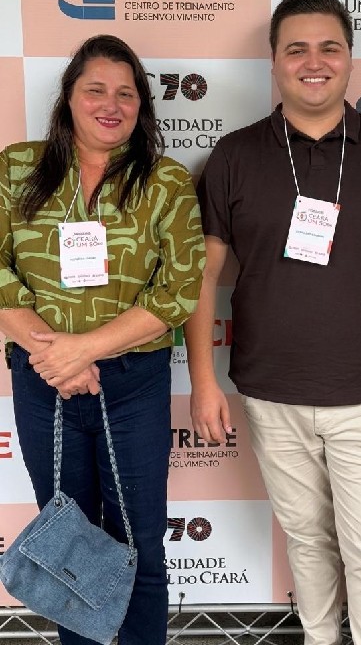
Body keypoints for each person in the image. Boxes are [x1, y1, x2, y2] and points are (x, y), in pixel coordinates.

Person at [184, 0, 361, 645]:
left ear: (351, 58)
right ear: (273, 61)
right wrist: (203, 381)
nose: (314, 62)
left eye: (330, 47)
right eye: (296, 49)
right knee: (306, 540)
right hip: (272, 393)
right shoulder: (234, 157)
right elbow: (201, 277)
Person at [0, 34, 205, 645]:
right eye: (95, 90)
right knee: (69, 542)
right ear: (68, 98)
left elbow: (179, 291)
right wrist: (56, 355)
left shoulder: (165, 181)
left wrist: (84, 350)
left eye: (126, 94)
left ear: (142, 106)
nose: (110, 105)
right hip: (44, 382)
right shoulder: (17, 168)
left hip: (133, 385)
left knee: (140, 542)